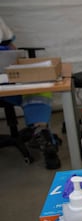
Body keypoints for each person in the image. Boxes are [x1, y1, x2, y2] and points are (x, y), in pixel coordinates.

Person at [0, 16, 61, 169]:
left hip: (8, 73)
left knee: (39, 87)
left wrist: (18, 63)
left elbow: (9, 43)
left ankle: (41, 133)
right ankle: (41, 132)